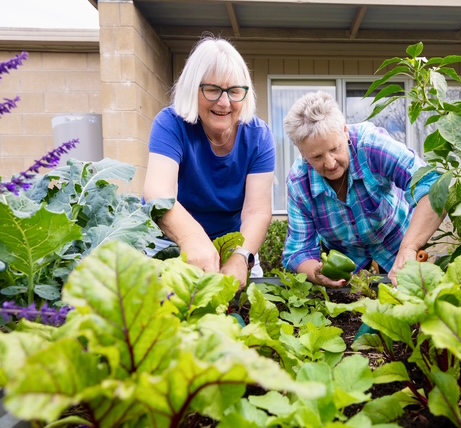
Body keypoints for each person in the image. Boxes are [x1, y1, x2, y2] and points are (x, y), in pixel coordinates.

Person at [143, 36, 275, 288]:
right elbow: (158, 193)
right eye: (212, 89)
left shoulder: (259, 136)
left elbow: (257, 211)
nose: (224, 102)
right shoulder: (170, 124)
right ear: (193, 88)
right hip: (169, 239)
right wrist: (191, 237)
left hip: (232, 245)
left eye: (235, 91)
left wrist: (239, 257)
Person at [282, 91, 444, 287]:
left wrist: (410, 247)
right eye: (317, 157)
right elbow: (299, 250)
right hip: (348, 263)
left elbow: (434, 188)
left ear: (345, 131)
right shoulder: (299, 182)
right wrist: (315, 272)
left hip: (399, 242)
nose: (330, 163)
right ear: (302, 152)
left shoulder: (372, 145)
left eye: (335, 149)